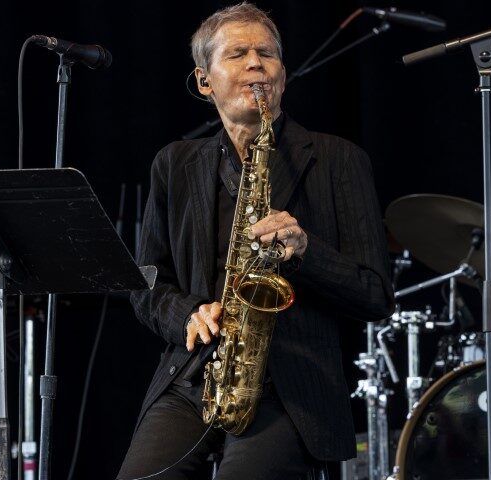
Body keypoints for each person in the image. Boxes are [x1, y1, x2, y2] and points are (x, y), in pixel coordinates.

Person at [117, 3, 394, 479]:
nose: (255, 64)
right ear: (205, 81)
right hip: (194, 374)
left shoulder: (338, 160)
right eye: (238, 53)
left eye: (267, 53)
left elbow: (376, 295)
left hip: (292, 386)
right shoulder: (174, 164)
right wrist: (186, 312)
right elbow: (145, 283)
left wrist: (306, 251)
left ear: (283, 73)